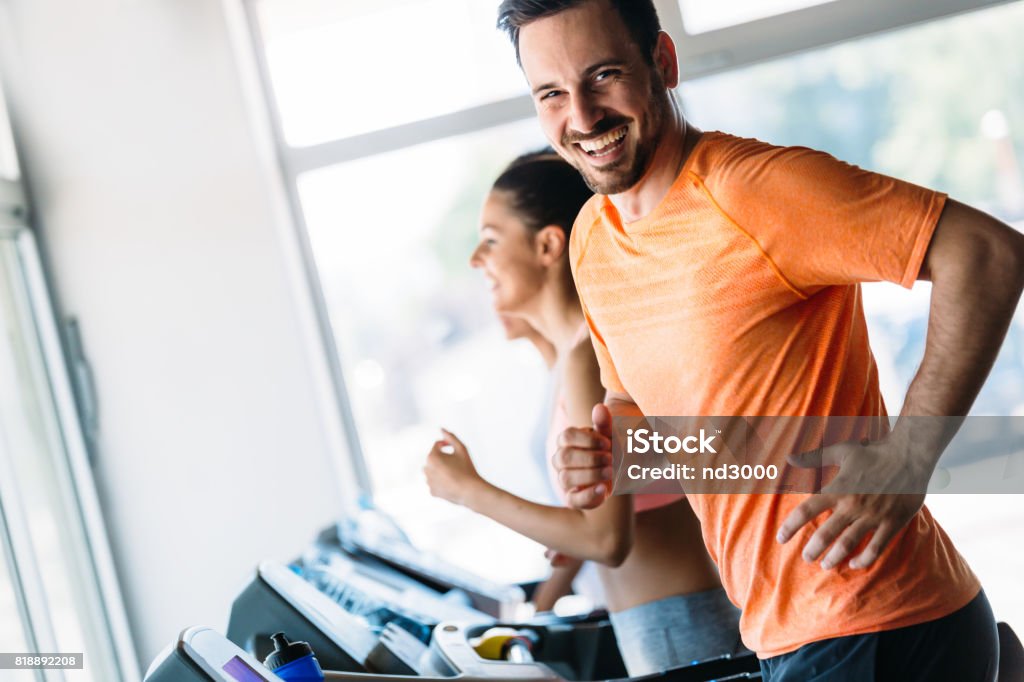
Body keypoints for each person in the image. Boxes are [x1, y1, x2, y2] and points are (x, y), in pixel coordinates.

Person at [495, 0, 1024, 679]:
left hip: (877, 618)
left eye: (603, 76)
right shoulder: (594, 240)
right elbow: (646, 419)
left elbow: (987, 254)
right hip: (783, 630)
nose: (583, 115)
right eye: (552, 93)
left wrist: (911, 454)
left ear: (662, 63)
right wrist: (606, 455)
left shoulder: (755, 191)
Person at [423, 151, 744, 675]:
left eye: (491, 239)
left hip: (685, 631)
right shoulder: (579, 355)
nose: (475, 259)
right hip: (665, 628)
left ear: (548, 245)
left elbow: (606, 539)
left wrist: (467, 490)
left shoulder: (587, 356)